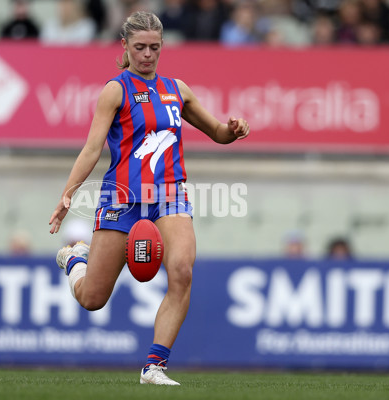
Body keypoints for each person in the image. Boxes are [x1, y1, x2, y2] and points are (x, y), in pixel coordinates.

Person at [48, 11, 249, 386]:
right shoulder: (115, 90)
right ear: (124, 46)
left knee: (183, 271)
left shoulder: (178, 89)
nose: (147, 55)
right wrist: (68, 195)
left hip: (169, 195)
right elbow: (92, 149)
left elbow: (217, 133)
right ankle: (76, 258)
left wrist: (233, 130)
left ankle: (154, 366)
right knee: (92, 298)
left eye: (154, 47)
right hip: (122, 199)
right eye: (139, 47)